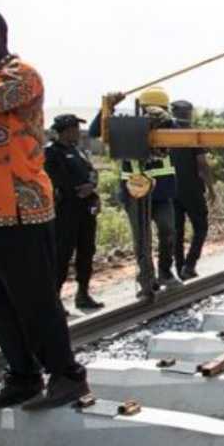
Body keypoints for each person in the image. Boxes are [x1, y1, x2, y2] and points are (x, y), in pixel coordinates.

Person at [0, 5, 90, 410]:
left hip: (21, 209)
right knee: (0, 301)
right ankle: (22, 376)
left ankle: (66, 375)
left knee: (35, 299)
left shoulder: (21, 77)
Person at [90, 86, 181, 299]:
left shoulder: (169, 126)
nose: (156, 114)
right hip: (135, 192)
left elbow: (177, 131)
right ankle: (146, 281)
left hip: (162, 192)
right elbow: (96, 131)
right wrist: (107, 107)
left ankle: (165, 272)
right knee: (142, 240)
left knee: (168, 231)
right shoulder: (126, 127)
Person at [45, 113, 104, 310]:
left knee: (86, 252)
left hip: (85, 210)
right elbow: (56, 180)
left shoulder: (79, 151)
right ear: (65, 130)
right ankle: (54, 299)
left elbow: (92, 172)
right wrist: (78, 189)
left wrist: (92, 187)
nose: (78, 132)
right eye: (74, 129)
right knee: (62, 255)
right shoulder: (52, 153)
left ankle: (83, 294)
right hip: (65, 211)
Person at [170, 100, 216, 279]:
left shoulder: (166, 133)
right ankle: (189, 265)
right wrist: (211, 188)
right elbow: (202, 164)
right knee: (201, 227)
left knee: (177, 231)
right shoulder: (192, 134)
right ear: (188, 113)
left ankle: (180, 267)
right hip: (192, 190)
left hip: (171, 190)